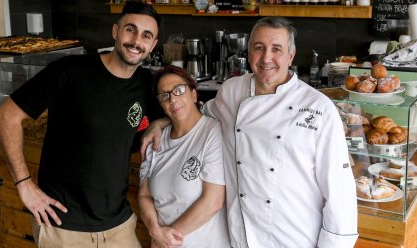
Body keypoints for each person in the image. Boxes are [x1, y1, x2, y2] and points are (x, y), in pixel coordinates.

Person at [143, 17, 358, 247]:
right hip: (242, 236)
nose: (266, 58)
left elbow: (340, 194)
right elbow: (200, 113)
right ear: (248, 52)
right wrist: (163, 121)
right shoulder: (232, 90)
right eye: (259, 48)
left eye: (277, 49)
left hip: (294, 237)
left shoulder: (319, 108)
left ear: (291, 55)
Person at [0, 0, 164, 247]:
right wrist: (24, 184)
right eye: (130, 29)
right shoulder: (70, 71)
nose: (136, 40)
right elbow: (5, 115)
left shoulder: (146, 84)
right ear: (115, 31)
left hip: (118, 224)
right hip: (63, 225)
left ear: (153, 45)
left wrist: (159, 121)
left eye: (146, 35)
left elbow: (178, 106)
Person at [138, 66, 230, 248]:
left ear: (194, 95)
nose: (173, 99)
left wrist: (165, 239)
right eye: (164, 95)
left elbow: (213, 201)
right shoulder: (155, 140)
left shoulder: (213, 133)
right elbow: (144, 195)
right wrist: (154, 230)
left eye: (179, 90)